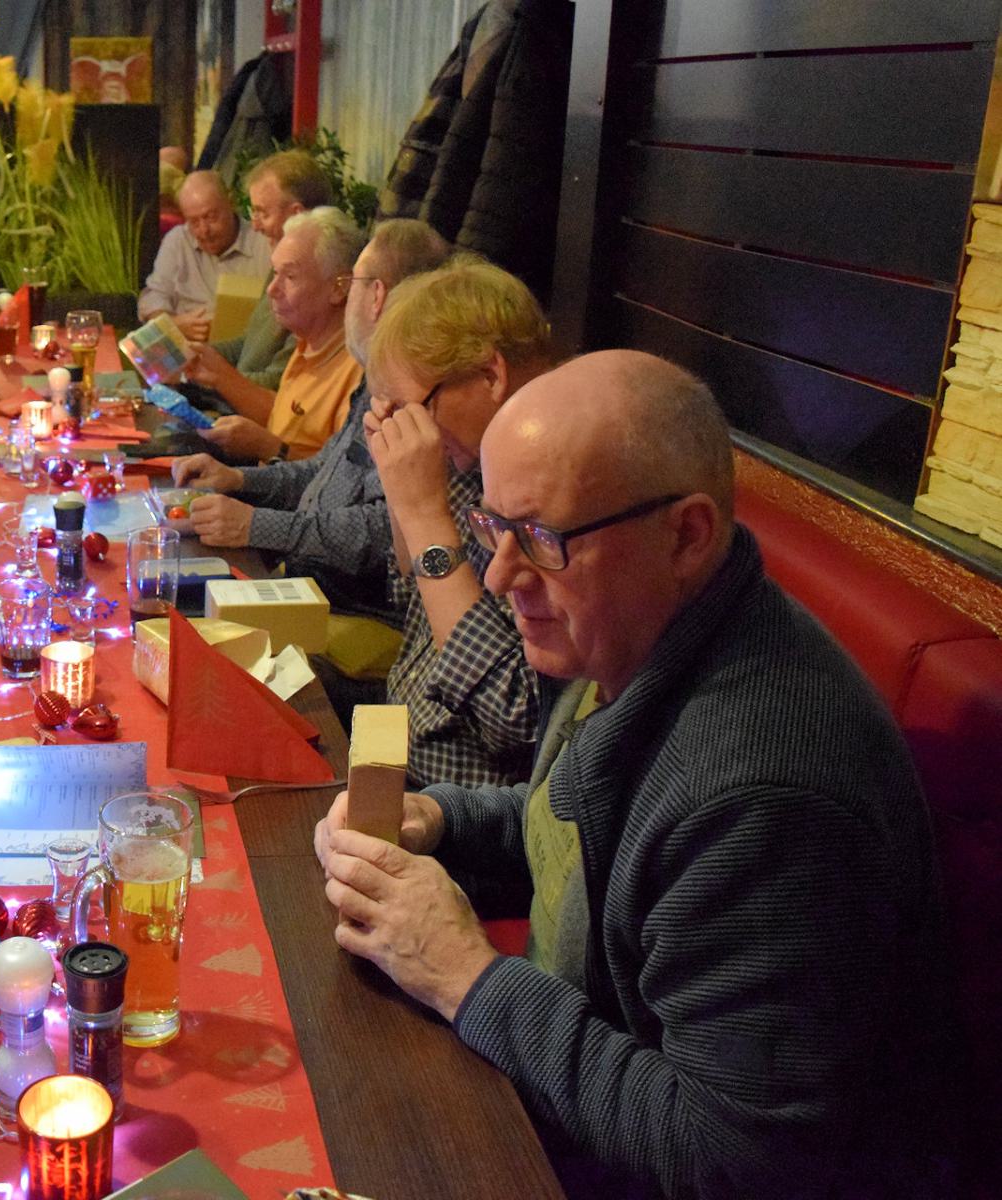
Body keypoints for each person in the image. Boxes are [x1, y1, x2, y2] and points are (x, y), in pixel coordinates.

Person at [315, 351, 955, 1197]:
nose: (500, 576)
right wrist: (441, 820)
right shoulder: (636, 630)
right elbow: (590, 834)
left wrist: (465, 976)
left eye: (539, 539)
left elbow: (732, 1157)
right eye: (492, 528)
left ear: (685, 535)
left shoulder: (767, 798)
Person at [169, 219, 451, 627]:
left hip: (349, 611)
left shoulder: (413, 394)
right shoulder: (375, 379)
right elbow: (322, 472)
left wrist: (255, 526)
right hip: (304, 582)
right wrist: (238, 480)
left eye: (353, 282)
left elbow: (381, 531)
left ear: (376, 295)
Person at [366, 258, 553, 786]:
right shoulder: (473, 461)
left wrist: (425, 516)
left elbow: (515, 717)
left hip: (466, 809)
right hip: (397, 761)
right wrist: (400, 491)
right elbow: (410, 596)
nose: (407, 428)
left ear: (490, 374)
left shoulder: (560, 491)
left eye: (413, 408)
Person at [199, 206, 365, 464]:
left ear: (339, 287)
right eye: (275, 273)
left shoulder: (357, 374)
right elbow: (285, 422)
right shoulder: (307, 343)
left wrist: (267, 447)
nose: (272, 290)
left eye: (290, 276)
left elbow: (339, 479)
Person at [182, 148, 332, 416]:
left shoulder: (318, 283)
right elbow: (251, 345)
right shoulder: (281, 263)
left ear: (296, 215)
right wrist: (193, 354)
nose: (255, 225)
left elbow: (279, 386)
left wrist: (211, 375)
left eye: (262, 213)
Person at [137, 170, 271, 342]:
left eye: (211, 217)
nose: (204, 231)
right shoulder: (178, 240)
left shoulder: (263, 243)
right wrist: (172, 325)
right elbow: (153, 296)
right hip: (187, 347)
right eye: (194, 222)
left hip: (244, 349)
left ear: (231, 203)